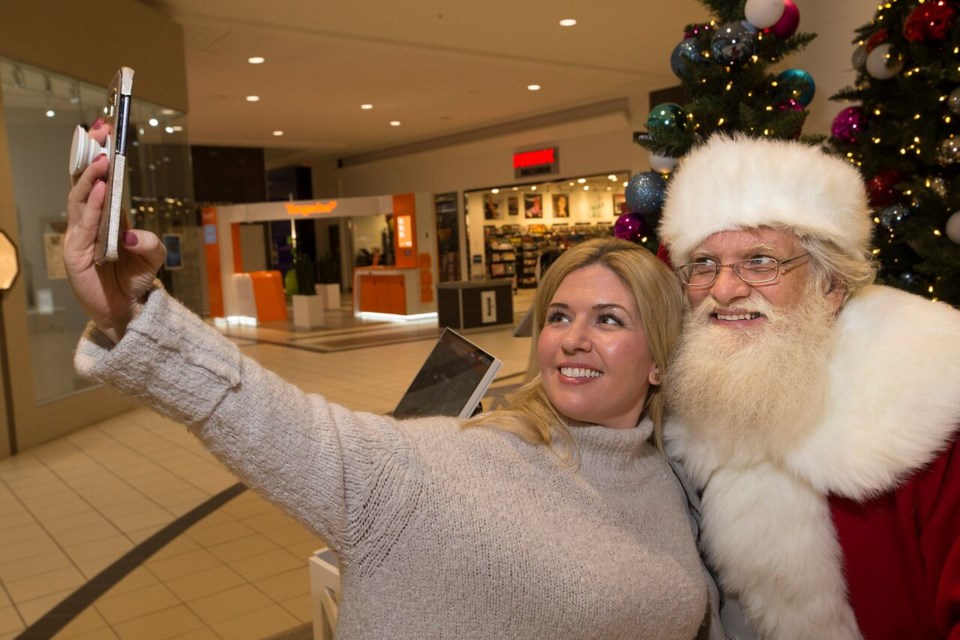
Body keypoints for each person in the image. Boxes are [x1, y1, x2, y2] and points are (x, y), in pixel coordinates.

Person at [64, 123, 708, 639]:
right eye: (560, 315)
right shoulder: (452, 465)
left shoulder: (674, 478)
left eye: (609, 320)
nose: (572, 338)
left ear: (658, 359)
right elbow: (285, 427)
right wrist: (136, 318)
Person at [658, 133, 960, 639]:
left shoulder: (930, 399)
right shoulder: (687, 402)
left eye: (760, 261)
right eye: (704, 264)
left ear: (831, 283)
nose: (725, 289)